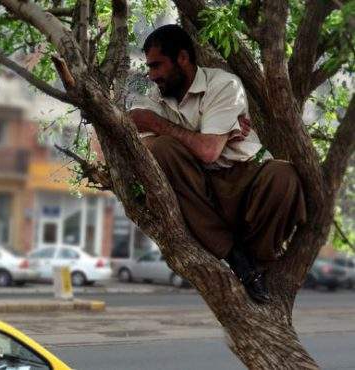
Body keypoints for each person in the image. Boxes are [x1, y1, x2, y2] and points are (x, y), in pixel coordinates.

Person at [129, 24, 307, 303]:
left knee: (284, 176)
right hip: (199, 190)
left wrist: (156, 124)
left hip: (244, 177)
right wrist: (187, 135)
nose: (152, 76)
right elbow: (141, 146)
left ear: (183, 59)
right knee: (162, 149)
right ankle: (235, 257)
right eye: (149, 68)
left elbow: (209, 151)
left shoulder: (223, 84)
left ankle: (256, 266)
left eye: (157, 66)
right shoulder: (156, 98)